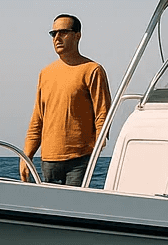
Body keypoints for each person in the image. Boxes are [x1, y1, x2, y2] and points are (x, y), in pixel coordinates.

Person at [22, 14, 112, 185]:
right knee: (49, 210)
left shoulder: (92, 70)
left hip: (79, 159)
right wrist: (26, 156)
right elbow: (38, 118)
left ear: (77, 35)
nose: (57, 38)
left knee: (74, 207)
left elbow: (103, 113)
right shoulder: (45, 73)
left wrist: (98, 147)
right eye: (53, 33)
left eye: (63, 32)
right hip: (48, 160)